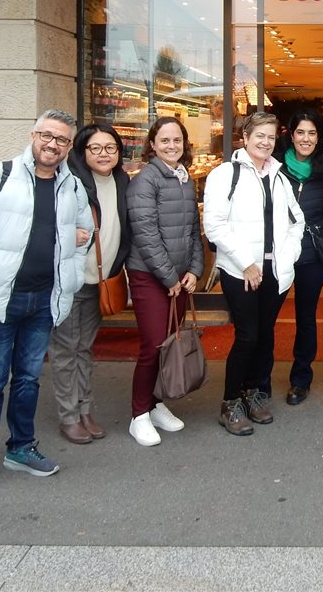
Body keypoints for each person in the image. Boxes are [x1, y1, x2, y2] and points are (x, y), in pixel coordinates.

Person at [0, 110, 92, 494]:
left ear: (68, 147)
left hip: (44, 299)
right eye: (47, 135)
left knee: (28, 379)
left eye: (62, 140)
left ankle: (21, 447)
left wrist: (73, 272)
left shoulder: (72, 185)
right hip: (2, 298)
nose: (53, 144)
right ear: (33, 134)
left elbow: (85, 233)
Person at [204, 113, 305, 434]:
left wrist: (286, 259)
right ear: (244, 137)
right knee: (247, 335)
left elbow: (296, 222)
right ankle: (230, 401)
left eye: (271, 137)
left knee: (265, 335)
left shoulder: (279, 176)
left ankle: (253, 393)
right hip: (240, 271)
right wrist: (246, 262)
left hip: (274, 271)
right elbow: (214, 225)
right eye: (259, 135)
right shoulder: (224, 175)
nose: (265, 142)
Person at [48, 123, 131, 444]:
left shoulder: (122, 181)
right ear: (82, 151)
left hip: (101, 280)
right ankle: (68, 416)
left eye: (110, 148)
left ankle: (83, 410)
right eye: (95, 148)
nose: (103, 154)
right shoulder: (68, 183)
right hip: (71, 279)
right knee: (66, 349)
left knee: (84, 348)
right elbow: (44, 223)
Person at [123, 116, 204, 446]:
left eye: (177, 140)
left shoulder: (184, 179)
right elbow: (146, 234)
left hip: (178, 278)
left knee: (169, 343)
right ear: (152, 145)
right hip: (149, 276)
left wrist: (195, 269)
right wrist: (169, 276)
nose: (172, 146)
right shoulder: (145, 180)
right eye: (165, 140)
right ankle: (138, 414)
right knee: (153, 346)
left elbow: (192, 230)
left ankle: (156, 404)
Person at [273, 109, 323, 406]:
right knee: (267, 317)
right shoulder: (274, 167)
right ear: (291, 134)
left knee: (306, 317)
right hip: (277, 251)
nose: (306, 139)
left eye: (312, 133)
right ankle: (259, 378)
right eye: (301, 132)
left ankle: (301, 379)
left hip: (312, 254)